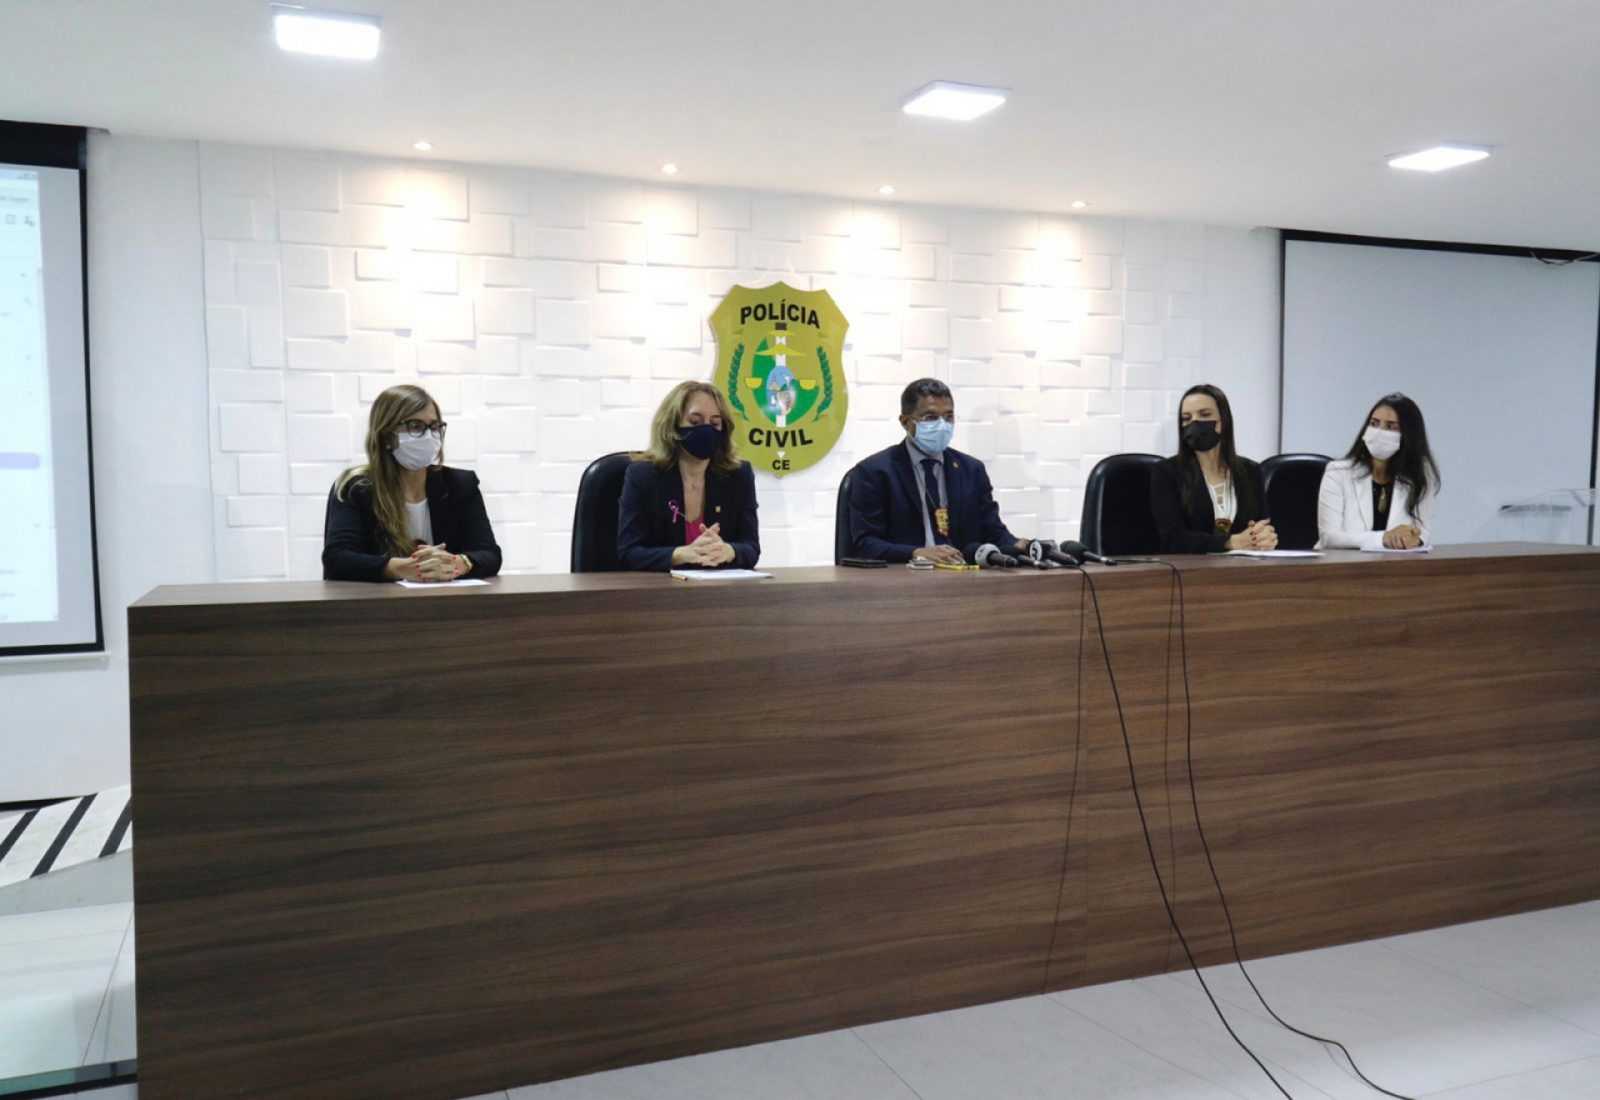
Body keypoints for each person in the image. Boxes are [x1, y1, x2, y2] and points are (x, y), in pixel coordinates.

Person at [322, 384, 501, 582]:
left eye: (434, 427)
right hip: (379, 601)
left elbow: (490, 553)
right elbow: (337, 559)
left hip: (447, 599)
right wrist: (402, 568)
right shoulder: (355, 488)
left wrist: (458, 563)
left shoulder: (460, 484)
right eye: (415, 426)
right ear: (386, 436)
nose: (428, 436)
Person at [847, 378, 1029, 564]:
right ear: (905, 422)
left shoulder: (972, 470)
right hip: (906, 575)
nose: (942, 425)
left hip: (963, 574)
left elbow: (993, 532)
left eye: (948, 417)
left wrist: (1023, 546)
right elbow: (865, 544)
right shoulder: (874, 472)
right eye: (930, 417)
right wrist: (916, 553)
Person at [618, 381, 760, 571]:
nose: (706, 430)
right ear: (672, 426)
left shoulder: (738, 475)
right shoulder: (642, 477)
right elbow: (628, 553)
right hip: (660, 588)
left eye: (715, 423)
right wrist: (681, 554)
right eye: (695, 422)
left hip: (719, 587)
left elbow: (751, 548)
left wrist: (729, 551)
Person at [1150, 383, 1277, 554]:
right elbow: (1172, 539)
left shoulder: (1251, 471)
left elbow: (1262, 525)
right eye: (1186, 418)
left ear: (1223, 421)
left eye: (1204, 415)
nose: (1194, 423)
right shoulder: (1167, 472)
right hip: (1190, 568)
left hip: (1244, 566)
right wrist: (1230, 542)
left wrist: (1264, 537)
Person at [1317, 393, 1439, 550]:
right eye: (1374, 424)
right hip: (1341, 563)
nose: (1379, 432)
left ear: (1409, 435)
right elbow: (1329, 537)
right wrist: (1383, 538)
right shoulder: (1338, 472)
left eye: (1390, 426)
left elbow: (1422, 532)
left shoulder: (1420, 476)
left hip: (1395, 564)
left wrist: (1415, 540)